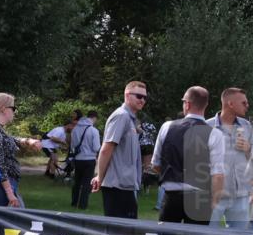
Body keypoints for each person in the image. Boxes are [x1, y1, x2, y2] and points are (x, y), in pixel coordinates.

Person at [150, 86, 225, 225]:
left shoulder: (167, 127)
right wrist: (214, 201)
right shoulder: (215, 134)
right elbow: (218, 174)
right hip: (200, 198)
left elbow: (155, 165)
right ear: (206, 105)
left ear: (187, 104)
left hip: (171, 195)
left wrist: (173, 173)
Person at [91, 81, 147, 219]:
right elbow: (106, 149)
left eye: (145, 97)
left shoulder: (130, 119)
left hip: (126, 186)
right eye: (139, 96)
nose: (142, 100)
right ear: (127, 95)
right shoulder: (121, 116)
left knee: (127, 229)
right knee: (119, 230)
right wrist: (100, 177)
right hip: (117, 186)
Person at [0, 92, 41, 208]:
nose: (14, 111)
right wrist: (10, 194)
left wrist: (28, 141)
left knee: (14, 218)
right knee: (15, 217)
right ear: (4, 109)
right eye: (13, 108)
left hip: (4, 186)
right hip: (0, 188)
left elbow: (9, 139)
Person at [205, 87, 251, 229]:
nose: (247, 105)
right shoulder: (207, 127)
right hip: (214, 194)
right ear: (230, 104)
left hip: (240, 194)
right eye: (244, 103)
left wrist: (248, 149)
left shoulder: (247, 126)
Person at [69, 110, 101, 209]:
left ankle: (74, 202)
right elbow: (96, 147)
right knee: (86, 183)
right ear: (94, 118)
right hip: (89, 159)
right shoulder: (93, 130)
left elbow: (72, 145)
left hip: (78, 159)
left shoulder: (75, 129)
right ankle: (82, 205)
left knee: (77, 182)